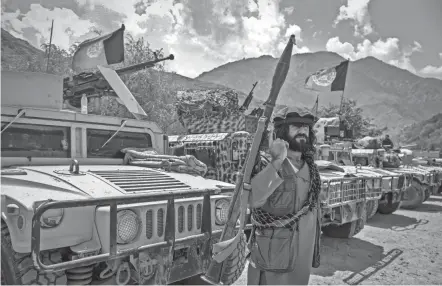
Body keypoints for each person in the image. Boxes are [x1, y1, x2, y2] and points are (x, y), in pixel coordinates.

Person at [246, 107, 322, 285]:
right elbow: (254, 200)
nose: (303, 131)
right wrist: (277, 160)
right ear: (281, 132)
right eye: (296, 126)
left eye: (306, 127)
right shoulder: (265, 162)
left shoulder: (311, 168)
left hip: (301, 257)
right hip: (273, 256)